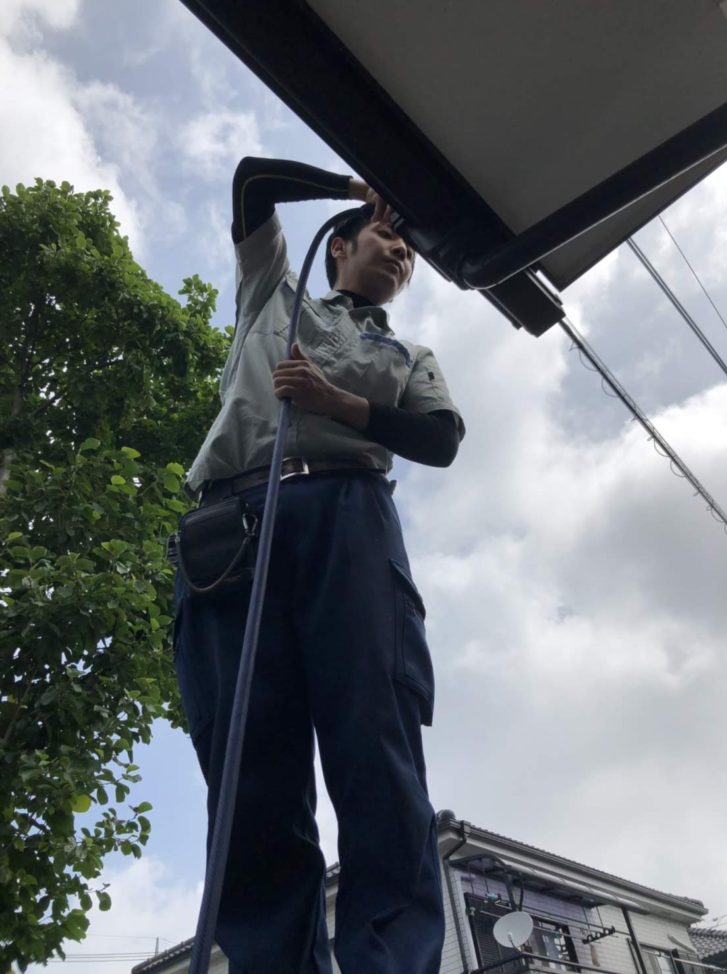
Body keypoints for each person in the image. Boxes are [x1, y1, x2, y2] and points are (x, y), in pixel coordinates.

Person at [174, 157, 465, 974]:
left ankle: (389, 961)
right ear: (338, 247)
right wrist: (356, 188)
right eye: (387, 239)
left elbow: (440, 438)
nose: (401, 254)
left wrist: (340, 404)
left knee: (375, 744)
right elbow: (249, 183)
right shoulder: (272, 289)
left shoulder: (409, 354)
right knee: (248, 769)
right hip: (233, 530)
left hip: (349, 520)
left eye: (409, 255)